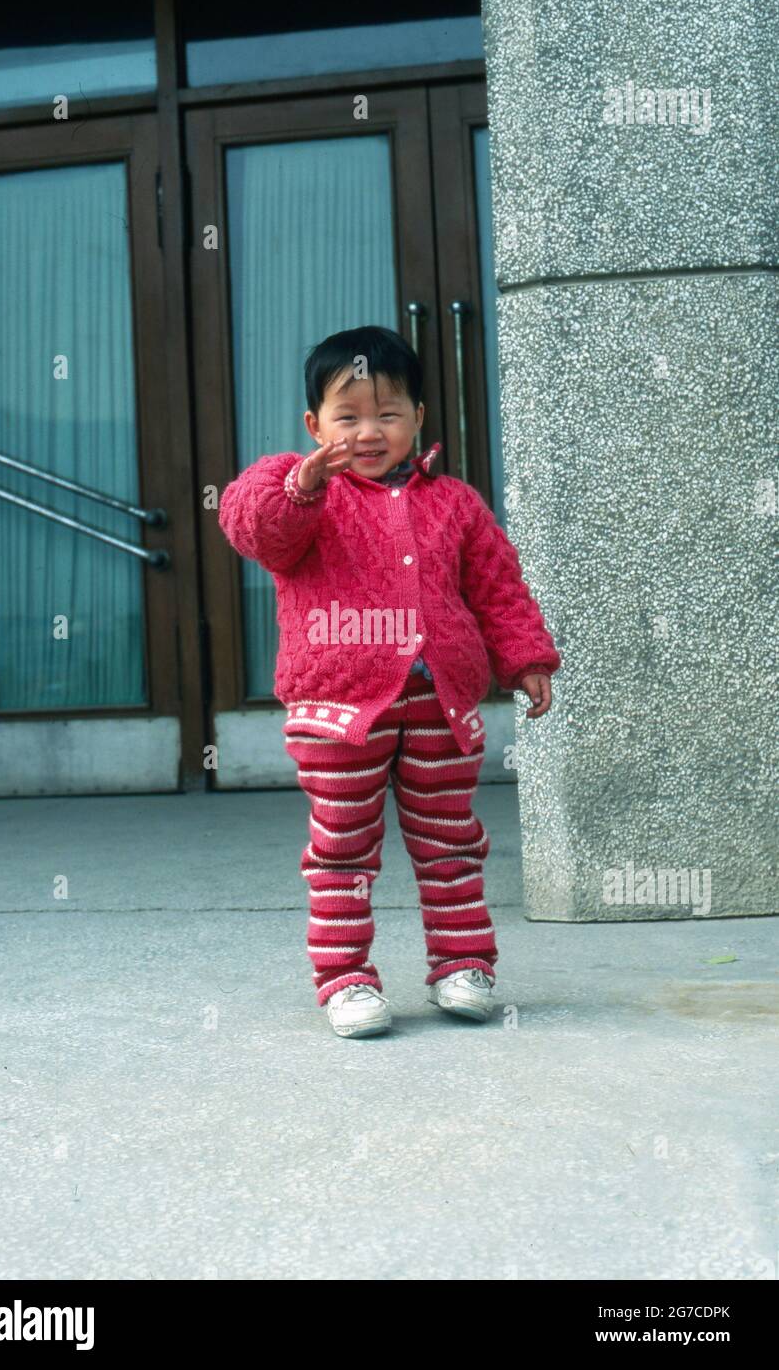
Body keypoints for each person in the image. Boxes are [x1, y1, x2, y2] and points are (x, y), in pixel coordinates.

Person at [218, 325, 561, 1038]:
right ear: (315, 425)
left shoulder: (454, 503)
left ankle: (462, 965)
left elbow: (496, 587)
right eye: (348, 418)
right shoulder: (295, 486)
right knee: (341, 847)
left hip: (440, 701)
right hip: (335, 707)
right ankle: (344, 978)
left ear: (419, 418)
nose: (369, 433)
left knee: (450, 842)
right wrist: (302, 484)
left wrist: (524, 658)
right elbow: (254, 530)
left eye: (388, 414)